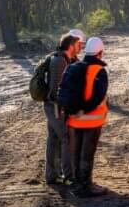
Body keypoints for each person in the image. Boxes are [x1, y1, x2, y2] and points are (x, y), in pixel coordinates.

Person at [61, 36, 109, 197]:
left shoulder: (73, 67)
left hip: (74, 121)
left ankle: (77, 185)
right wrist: (85, 110)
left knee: (75, 152)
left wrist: (73, 111)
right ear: (100, 53)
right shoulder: (99, 71)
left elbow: (64, 91)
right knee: (87, 154)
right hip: (91, 121)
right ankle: (86, 186)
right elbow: (97, 97)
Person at [42, 32, 82, 185]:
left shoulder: (60, 59)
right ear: (70, 46)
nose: (79, 47)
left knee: (53, 139)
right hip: (56, 107)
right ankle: (68, 176)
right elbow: (57, 89)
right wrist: (65, 108)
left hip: (52, 106)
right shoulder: (60, 61)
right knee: (66, 138)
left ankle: (51, 176)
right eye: (77, 45)